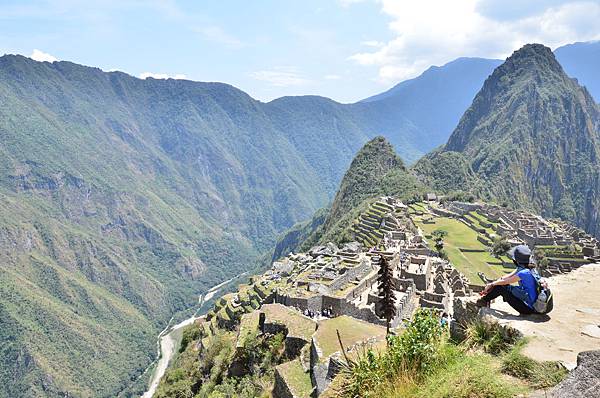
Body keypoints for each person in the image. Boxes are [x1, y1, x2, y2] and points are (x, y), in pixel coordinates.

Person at [476, 245, 538, 315]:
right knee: (500, 284)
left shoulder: (523, 273)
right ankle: (485, 300)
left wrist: (491, 284)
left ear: (516, 260)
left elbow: (505, 282)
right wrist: (494, 283)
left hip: (528, 308)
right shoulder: (527, 268)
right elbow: (506, 277)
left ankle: (484, 301)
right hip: (530, 303)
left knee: (501, 288)